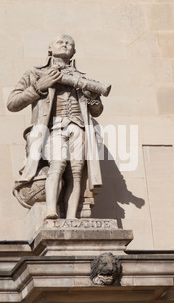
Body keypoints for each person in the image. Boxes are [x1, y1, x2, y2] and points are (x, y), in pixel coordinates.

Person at [7, 34, 104, 220]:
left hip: (78, 125)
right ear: (50, 48)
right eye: (61, 42)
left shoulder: (82, 78)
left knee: (76, 173)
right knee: (56, 166)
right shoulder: (35, 74)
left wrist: (93, 98)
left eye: (70, 44)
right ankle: (51, 210)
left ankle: (71, 217)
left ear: (74, 51)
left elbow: (97, 110)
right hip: (53, 127)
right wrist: (37, 88)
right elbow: (12, 103)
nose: (66, 45)